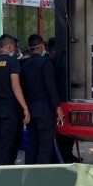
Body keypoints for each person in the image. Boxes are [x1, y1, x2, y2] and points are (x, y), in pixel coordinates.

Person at [0, 34, 30, 165]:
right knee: (6, 141)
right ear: (9, 47)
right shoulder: (13, 62)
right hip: (9, 109)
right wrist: (25, 107)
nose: (15, 50)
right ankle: (3, 171)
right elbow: (15, 86)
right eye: (14, 47)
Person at [20, 34, 64, 164]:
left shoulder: (24, 65)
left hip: (30, 111)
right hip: (44, 112)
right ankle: (42, 174)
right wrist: (58, 108)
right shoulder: (45, 62)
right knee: (45, 146)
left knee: (32, 144)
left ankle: (28, 172)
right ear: (41, 46)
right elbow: (50, 86)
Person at [47, 37, 80, 163]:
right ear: (52, 50)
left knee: (68, 132)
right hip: (54, 103)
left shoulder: (61, 61)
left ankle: (67, 154)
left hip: (64, 100)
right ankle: (59, 157)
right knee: (58, 134)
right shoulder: (48, 63)